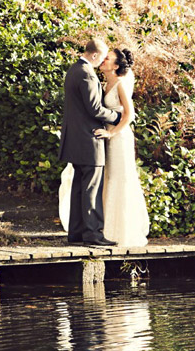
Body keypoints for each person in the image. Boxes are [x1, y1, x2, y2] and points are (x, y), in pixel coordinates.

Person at [58, 38, 121, 246]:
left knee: (78, 187)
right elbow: (94, 108)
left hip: (75, 138)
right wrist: (117, 117)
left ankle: (76, 234)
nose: (103, 62)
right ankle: (93, 234)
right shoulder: (86, 73)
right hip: (88, 138)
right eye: (102, 58)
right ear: (94, 55)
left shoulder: (73, 69)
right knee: (91, 188)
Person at [94, 48, 149, 247]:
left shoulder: (120, 84)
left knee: (119, 179)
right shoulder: (104, 84)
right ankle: (108, 229)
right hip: (108, 138)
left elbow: (129, 115)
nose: (103, 60)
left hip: (120, 138)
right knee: (109, 179)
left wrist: (111, 133)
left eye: (107, 58)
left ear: (115, 66)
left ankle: (123, 231)